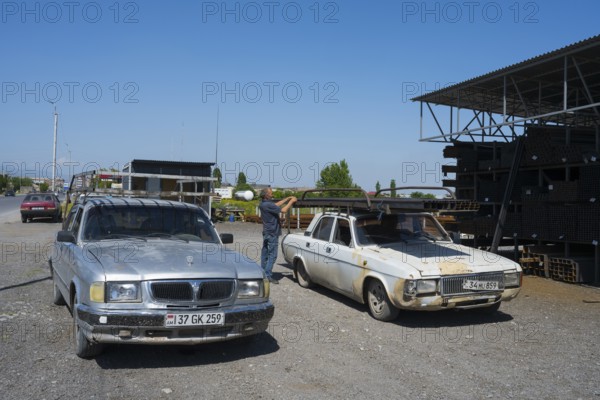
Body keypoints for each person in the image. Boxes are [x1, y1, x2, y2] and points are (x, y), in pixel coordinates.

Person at [259, 187, 297, 284]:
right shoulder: (268, 204)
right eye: (271, 193)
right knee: (273, 255)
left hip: (267, 232)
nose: (272, 195)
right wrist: (291, 202)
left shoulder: (263, 204)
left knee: (265, 253)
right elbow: (283, 210)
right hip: (272, 232)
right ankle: (267, 275)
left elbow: (277, 205)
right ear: (267, 195)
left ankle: (262, 272)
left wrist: (287, 198)